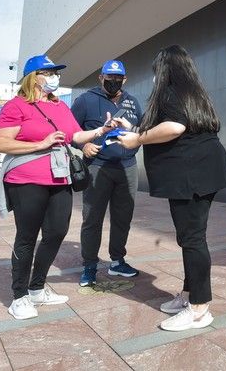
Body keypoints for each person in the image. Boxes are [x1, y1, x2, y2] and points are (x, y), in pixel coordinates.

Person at [116, 45, 226, 331]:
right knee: (190, 237)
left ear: (165, 70)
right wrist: (134, 128)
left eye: (156, 71)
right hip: (203, 169)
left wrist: (138, 138)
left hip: (190, 173)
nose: (155, 76)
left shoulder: (169, 92)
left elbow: (175, 127)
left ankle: (199, 309)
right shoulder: (193, 93)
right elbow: (178, 123)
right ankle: (190, 295)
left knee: (192, 239)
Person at [0, 54, 109, 320]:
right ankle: (19, 296)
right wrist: (40, 144)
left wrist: (101, 130)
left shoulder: (59, 106)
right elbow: (0, 143)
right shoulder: (16, 106)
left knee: (56, 232)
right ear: (34, 77)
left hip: (59, 178)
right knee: (27, 237)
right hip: (26, 181)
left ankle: (37, 289)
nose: (55, 77)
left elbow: (75, 136)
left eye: (56, 72)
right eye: (50, 72)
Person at [71, 60, 143, 286]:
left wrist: (135, 142)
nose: (113, 82)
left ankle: (117, 261)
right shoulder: (85, 100)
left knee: (123, 218)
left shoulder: (132, 102)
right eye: (108, 78)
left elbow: (141, 131)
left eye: (117, 78)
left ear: (125, 79)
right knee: (92, 218)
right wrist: (83, 147)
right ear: (100, 78)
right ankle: (89, 266)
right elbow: (70, 132)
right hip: (97, 167)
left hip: (127, 168)